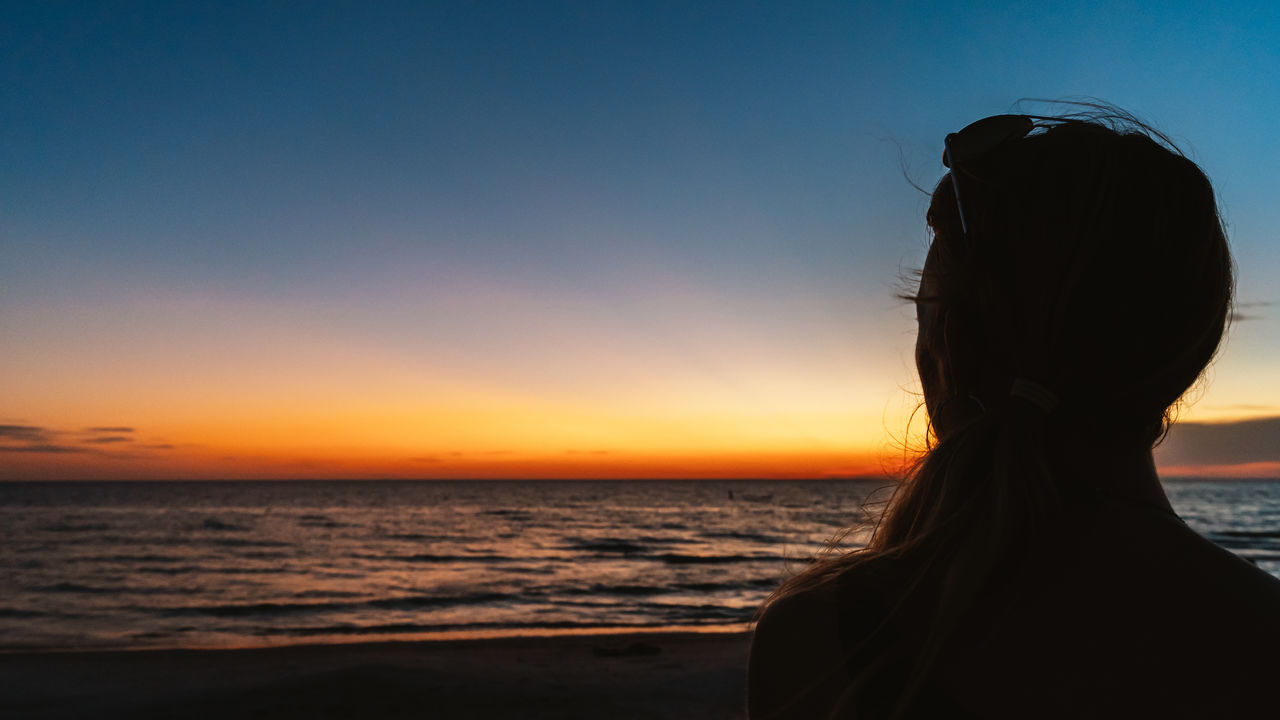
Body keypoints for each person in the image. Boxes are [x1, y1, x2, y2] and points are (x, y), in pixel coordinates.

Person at [748, 109, 1280, 719]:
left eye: (922, 314)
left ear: (951, 341)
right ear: (1188, 347)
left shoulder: (826, 641)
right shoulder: (1263, 636)